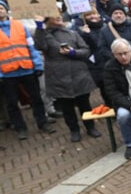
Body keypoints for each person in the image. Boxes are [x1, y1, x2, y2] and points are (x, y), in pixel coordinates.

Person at [0, 0, 55, 140]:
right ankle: (20, 128)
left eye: (1, 7)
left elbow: (30, 46)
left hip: (26, 69)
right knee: (12, 103)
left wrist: (37, 64)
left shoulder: (19, 25)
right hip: (6, 73)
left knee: (36, 99)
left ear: (6, 10)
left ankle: (42, 123)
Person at [32, 14, 101, 143]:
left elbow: (86, 50)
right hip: (59, 76)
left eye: (59, 15)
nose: (58, 17)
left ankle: (90, 127)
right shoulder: (44, 34)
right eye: (54, 15)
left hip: (79, 74)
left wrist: (73, 53)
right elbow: (40, 46)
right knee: (67, 107)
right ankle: (74, 130)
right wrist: (39, 26)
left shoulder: (73, 33)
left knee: (84, 104)